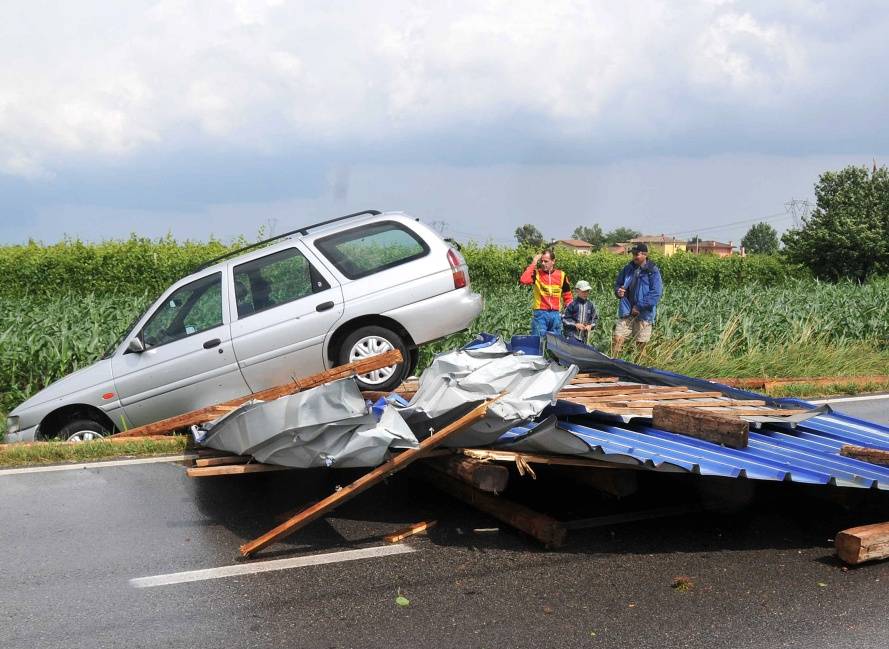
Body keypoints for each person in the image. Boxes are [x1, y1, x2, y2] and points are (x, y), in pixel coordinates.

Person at [612, 243, 663, 355]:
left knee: (641, 347)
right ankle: (615, 365)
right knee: (617, 340)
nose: (634, 256)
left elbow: (656, 293)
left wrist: (639, 306)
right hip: (626, 311)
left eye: (636, 254)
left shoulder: (652, 271)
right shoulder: (628, 268)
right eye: (633, 254)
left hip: (644, 314)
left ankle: (640, 369)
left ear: (645, 254)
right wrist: (618, 292)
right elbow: (618, 284)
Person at [520, 248, 573, 338]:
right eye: (542, 261)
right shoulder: (536, 274)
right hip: (540, 314)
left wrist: (571, 311)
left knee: (556, 344)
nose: (543, 263)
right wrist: (534, 263)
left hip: (556, 315)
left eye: (546, 261)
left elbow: (567, 296)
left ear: (553, 261)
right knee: (538, 342)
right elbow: (523, 280)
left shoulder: (561, 275)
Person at [562, 279, 598, 343]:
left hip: (584, 337)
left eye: (587, 291)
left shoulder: (590, 305)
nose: (585, 293)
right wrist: (575, 324)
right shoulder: (572, 304)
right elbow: (564, 319)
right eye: (583, 291)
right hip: (572, 335)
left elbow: (595, 319)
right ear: (577, 291)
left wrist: (590, 326)